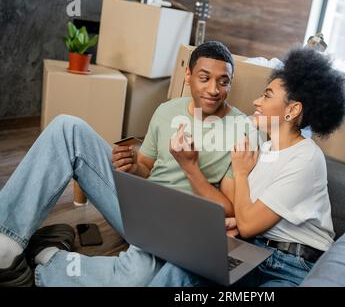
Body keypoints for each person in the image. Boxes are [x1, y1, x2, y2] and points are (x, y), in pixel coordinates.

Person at [0, 41, 251, 287]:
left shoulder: (241, 129)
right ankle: (5, 243)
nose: (214, 89)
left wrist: (190, 167)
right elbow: (146, 167)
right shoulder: (166, 111)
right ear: (188, 75)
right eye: (204, 78)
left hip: (178, 226)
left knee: (135, 279)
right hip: (139, 205)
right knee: (68, 127)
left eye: (223, 81)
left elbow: (228, 210)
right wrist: (133, 166)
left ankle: (49, 259)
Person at [148, 46, 345, 287]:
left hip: (293, 266)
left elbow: (249, 223)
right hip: (254, 252)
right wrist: (231, 223)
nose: (256, 101)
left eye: (267, 95)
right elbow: (245, 213)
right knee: (179, 270)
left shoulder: (306, 158)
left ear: (292, 110)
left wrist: (241, 174)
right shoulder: (263, 151)